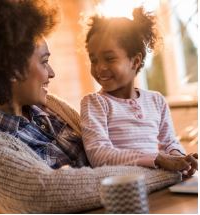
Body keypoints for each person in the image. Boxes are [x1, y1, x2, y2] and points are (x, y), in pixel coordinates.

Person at [0, 0, 194, 213]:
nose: (52, 73)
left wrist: (176, 160)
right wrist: (169, 170)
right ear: (13, 69)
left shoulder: (49, 106)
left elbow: (105, 151)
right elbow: (49, 193)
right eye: (44, 61)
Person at [80, 7, 198, 174]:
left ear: (135, 61)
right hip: (126, 188)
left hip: (160, 182)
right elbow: (99, 154)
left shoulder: (156, 100)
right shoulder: (94, 103)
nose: (100, 67)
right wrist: (157, 158)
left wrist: (180, 159)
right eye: (93, 60)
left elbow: (170, 143)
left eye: (109, 58)